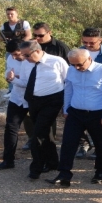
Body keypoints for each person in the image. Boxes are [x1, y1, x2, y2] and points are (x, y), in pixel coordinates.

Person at [46, 49, 102, 187]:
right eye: (73, 65)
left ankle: (100, 172)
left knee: (101, 144)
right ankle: (64, 174)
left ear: (89, 59)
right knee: (68, 143)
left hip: (97, 113)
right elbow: (69, 90)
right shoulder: (72, 70)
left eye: (79, 64)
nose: (76, 68)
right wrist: (66, 108)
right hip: (75, 113)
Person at [13, 40, 68, 180]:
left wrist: (66, 106)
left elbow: (68, 82)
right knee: (45, 133)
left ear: (37, 51)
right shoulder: (27, 64)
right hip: (34, 100)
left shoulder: (57, 61)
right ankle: (53, 162)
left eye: (27, 55)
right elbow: (25, 82)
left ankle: (36, 167)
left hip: (52, 100)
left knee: (37, 134)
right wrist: (12, 80)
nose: (24, 59)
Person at [76, 27, 102, 158]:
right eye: (85, 42)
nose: (87, 45)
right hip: (81, 94)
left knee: (99, 131)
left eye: (91, 43)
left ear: (100, 40)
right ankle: (84, 144)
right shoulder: (78, 52)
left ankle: (99, 150)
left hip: (100, 99)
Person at [0, 41, 31, 170]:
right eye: (11, 54)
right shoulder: (11, 57)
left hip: (32, 100)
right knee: (10, 128)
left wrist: (15, 79)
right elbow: (8, 73)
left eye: (17, 54)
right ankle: (8, 161)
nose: (14, 57)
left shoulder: (31, 60)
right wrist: (9, 78)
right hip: (16, 98)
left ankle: (44, 162)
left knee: (37, 131)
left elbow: (29, 82)